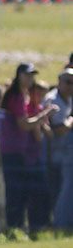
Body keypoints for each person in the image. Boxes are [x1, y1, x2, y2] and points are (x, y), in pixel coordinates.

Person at [0, 63, 58, 231]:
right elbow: (24, 125)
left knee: (21, 193)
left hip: (20, 152)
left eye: (32, 75)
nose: (30, 78)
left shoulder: (24, 96)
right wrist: (44, 115)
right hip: (13, 152)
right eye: (27, 75)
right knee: (15, 193)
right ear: (19, 75)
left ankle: (18, 227)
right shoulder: (17, 96)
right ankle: (13, 227)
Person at [44, 68, 73, 211]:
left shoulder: (68, 98)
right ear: (59, 82)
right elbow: (59, 130)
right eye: (68, 82)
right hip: (51, 154)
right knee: (56, 190)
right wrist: (71, 122)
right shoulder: (54, 100)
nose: (71, 86)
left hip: (62, 153)